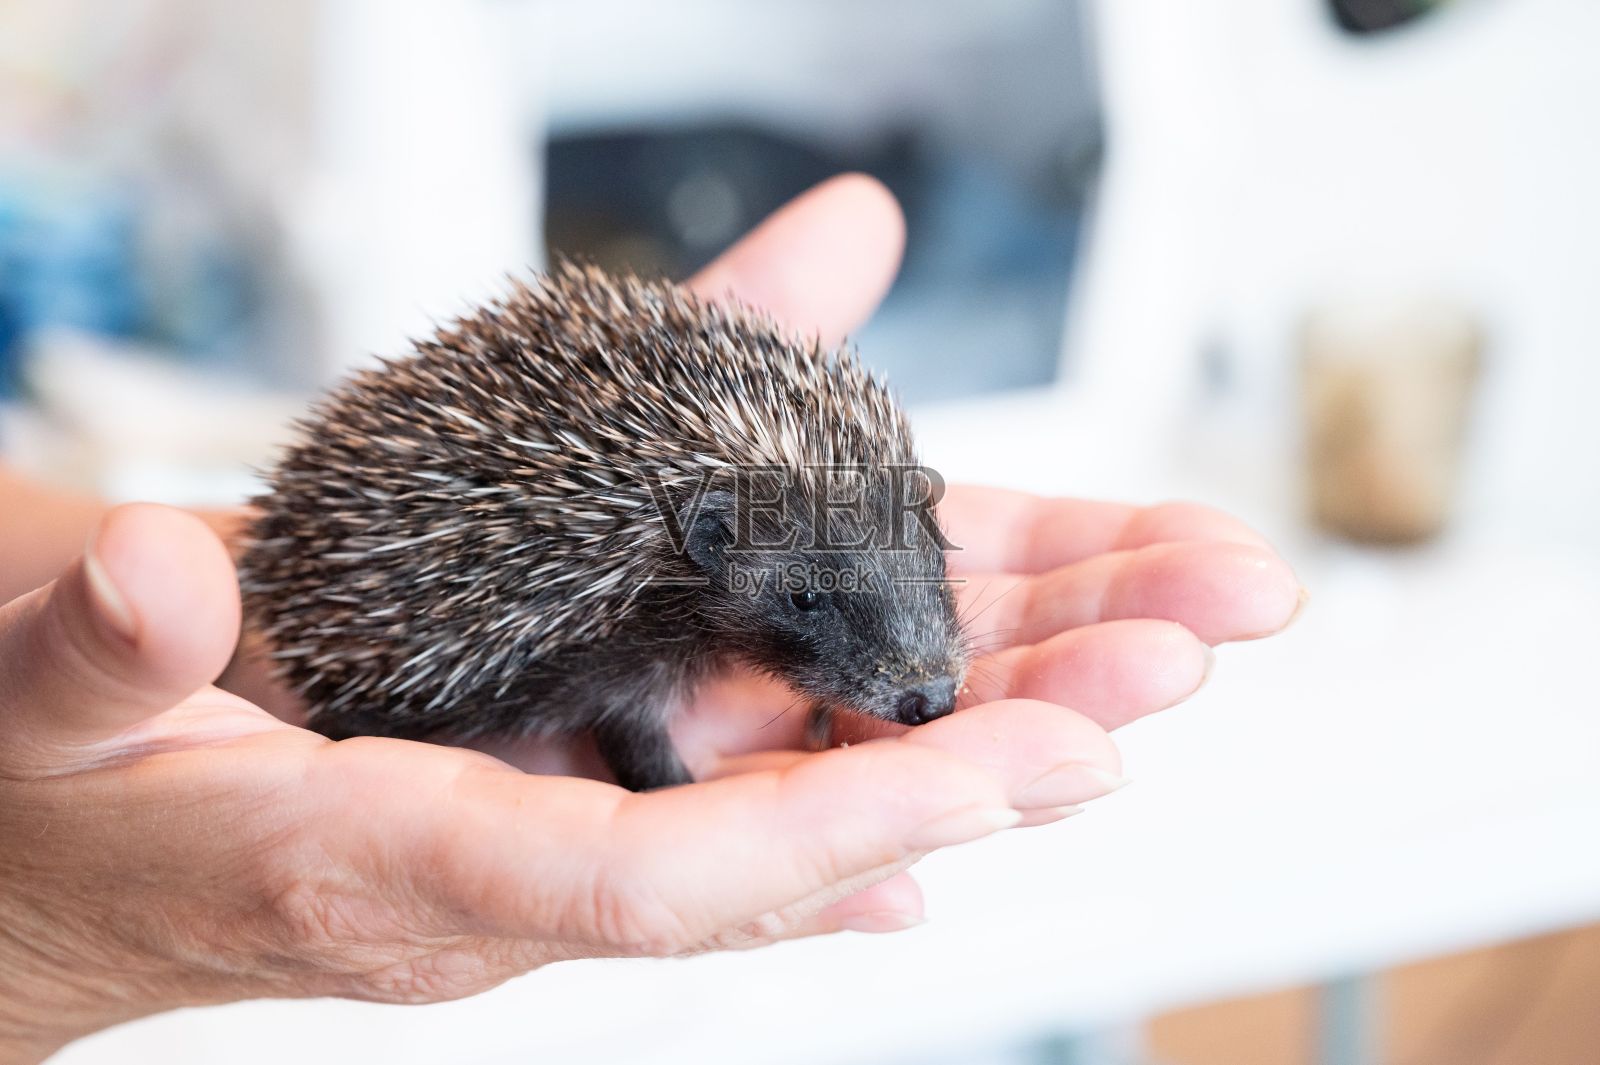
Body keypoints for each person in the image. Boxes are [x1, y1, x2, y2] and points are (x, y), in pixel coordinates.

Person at [0, 175, 1302, 1065]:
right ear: (709, 550)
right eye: (804, 608)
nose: (916, 680)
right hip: (395, 642)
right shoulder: (642, 588)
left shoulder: (823, 509)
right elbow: (631, 689)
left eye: (916, 598)